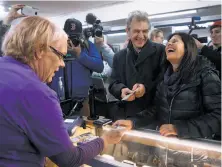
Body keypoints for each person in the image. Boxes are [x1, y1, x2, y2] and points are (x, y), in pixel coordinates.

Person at [0, 16, 126, 167]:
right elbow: (70, 159)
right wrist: (104, 140)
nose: (62, 64)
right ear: (40, 50)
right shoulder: (38, 93)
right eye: (60, 55)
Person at [113, 32, 221, 139]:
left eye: (175, 41)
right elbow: (157, 109)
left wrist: (180, 129)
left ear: (188, 47)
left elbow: (218, 115)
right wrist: (133, 122)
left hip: (197, 146)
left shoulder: (205, 74)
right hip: (169, 143)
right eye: (168, 42)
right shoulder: (165, 77)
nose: (169, 44)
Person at [108, 10, 165, 119]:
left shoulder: (161, 51)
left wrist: (146, 88)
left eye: (144, 31)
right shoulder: (119, 56)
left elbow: (165, 82)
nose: (141, 36)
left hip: (153, 116)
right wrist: (121, 90)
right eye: (136, 31)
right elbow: (113, 83)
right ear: (127, 31)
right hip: (127, 115)